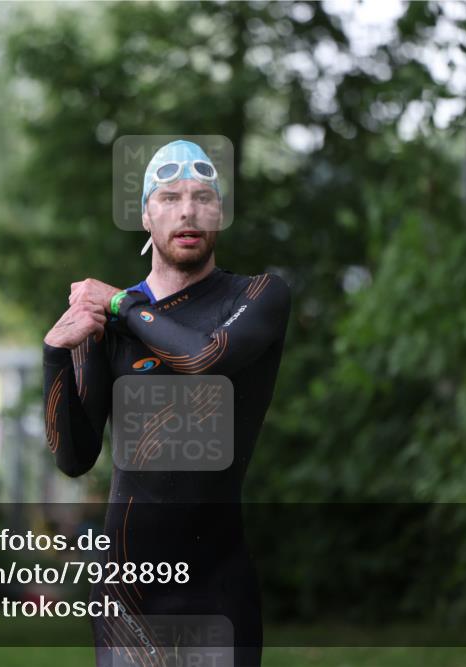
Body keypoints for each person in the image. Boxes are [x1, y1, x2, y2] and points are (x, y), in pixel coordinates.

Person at [42, 139, 291, 667]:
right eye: (170, 197)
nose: (187, 210)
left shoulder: (255, 297)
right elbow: (74, 457)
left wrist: (119, 303)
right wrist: (55, 355)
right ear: (145, 215)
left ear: (219, 212)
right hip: (127, 593)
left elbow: (204, 358)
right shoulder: (105, 325)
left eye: (203, 197)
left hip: (217, 586)